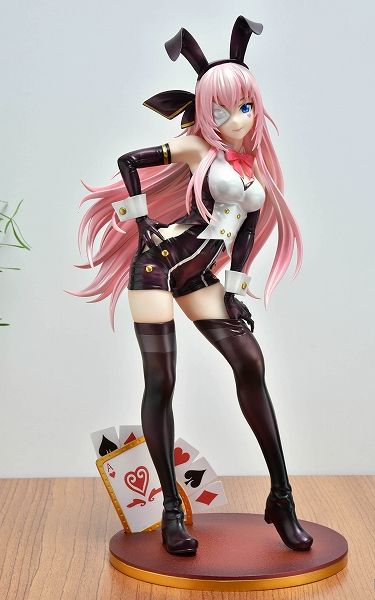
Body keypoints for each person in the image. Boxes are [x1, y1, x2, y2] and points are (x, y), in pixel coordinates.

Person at [71, 16, 313, 556]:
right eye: (219, 111)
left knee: (250, 363)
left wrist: (235, 292)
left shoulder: (252, 171)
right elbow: (129, 161)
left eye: (243, 107)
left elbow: (244, 238)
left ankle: (282, 498)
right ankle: (171, 511)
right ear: (204, 112)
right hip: (157, 267)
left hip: (199, 276)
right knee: (162, 380)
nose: (235, 120)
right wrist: (139, 221)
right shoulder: (194, 148)